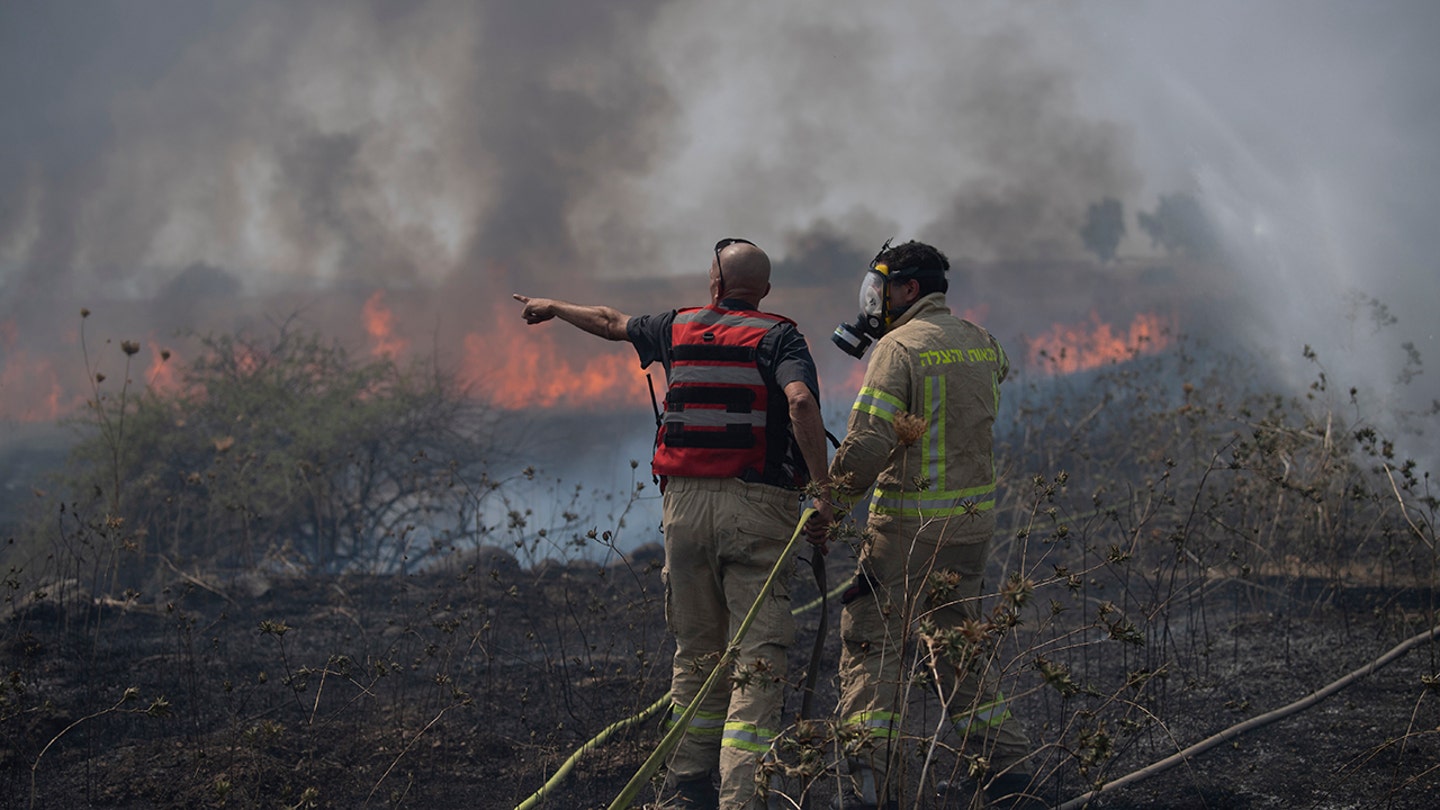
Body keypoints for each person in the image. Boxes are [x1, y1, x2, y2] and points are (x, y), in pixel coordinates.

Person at [513, 238, 833, 810]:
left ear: (714, 284)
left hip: (682, 513)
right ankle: (743, 798)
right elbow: (802, 403)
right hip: (756, 510)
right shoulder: (779, 335)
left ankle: (686, 789)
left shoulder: (678, 326)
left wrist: (554, 305)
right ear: (763, 291)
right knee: (757, 658)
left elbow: (611, 322)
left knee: (696, 654)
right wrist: (822, 492)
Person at [825, 240, 1037, 810]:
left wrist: (830, 504)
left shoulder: (898, 349)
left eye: (883, 289)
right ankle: (1010, 768)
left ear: (909, 290)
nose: (875, 301)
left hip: (905, 529)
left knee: (873, 646)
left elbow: (869, 441)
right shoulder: (981, 341)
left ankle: (874, 788)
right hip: (969, 529)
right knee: (954, 644)